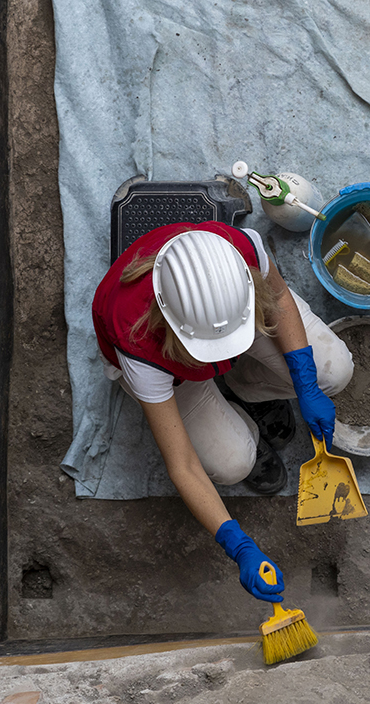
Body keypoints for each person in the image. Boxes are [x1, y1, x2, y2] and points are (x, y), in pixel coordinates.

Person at [92, 220, 352, 604]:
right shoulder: (137, 341)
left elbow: (279, 297)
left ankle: (250, 391)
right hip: (170, 366)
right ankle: (242, 426)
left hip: (229, 320)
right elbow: (183, 466)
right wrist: (237, 544)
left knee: (335, 371)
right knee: (233, 464)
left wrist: (306, 382)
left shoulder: (238, 251)